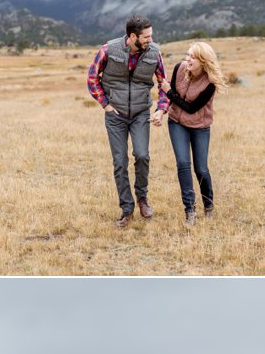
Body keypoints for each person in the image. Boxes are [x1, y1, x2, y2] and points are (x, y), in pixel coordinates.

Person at [86, 15, 169, 228]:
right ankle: (127, 209)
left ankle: (142, 198)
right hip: (116, 115)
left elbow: (163, 84)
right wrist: (105, 104)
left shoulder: (154, 52)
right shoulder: (108, 50)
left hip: (141, 112)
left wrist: (161, 110)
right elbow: (92, 78)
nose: (151, 40)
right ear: (133, 36)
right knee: (119, 162)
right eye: (146, 36)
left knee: (142, 155)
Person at [166, 38, 224, 226]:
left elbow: (191, 108)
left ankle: (208, 205)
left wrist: (169, 93)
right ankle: (189, 210)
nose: (188, 60)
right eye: (187, 55)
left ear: (203, 61)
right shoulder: (179, 68)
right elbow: (173, 98)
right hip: (176, 123)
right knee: (183, 163)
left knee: (201, 169)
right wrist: (161, 110)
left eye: (193, 57)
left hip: (200, 126)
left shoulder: (210, 83)